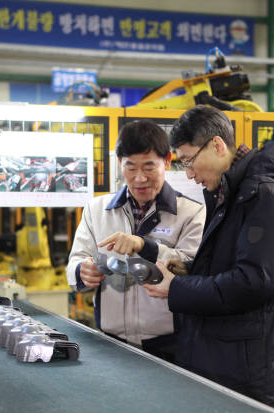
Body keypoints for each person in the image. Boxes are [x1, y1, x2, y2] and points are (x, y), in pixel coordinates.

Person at [143, 105, 274, 413]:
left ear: (217, 145)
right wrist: (189, 271)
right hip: (230, 365)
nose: (189, 174)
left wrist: (176, 289)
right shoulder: (230, 194)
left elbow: (255, 282)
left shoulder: (263, 196)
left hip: (254, 376)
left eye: (189, 161)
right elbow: (234, 265)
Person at [67, 119, 205, 362]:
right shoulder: (96, 209)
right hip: (110, 341)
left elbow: (193, 269)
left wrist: (146, 247)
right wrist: (82, 271)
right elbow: (75, 260)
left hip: (171, 345)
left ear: (168, 161)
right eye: (130, 167)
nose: (140, 178)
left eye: (149, 167)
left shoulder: (191, 213)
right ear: (119, 164)